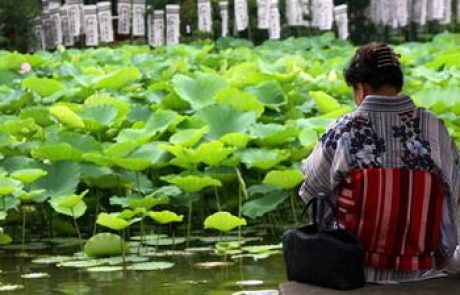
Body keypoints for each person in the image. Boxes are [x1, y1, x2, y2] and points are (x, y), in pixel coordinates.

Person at [299, 42, 460, 283]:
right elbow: (455, 194)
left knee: (326, 191)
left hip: (354, 270)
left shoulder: (344, 129)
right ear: (397, 84)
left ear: (361, 89)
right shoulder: (434, 127)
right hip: (421, 270)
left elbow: (310, 190)